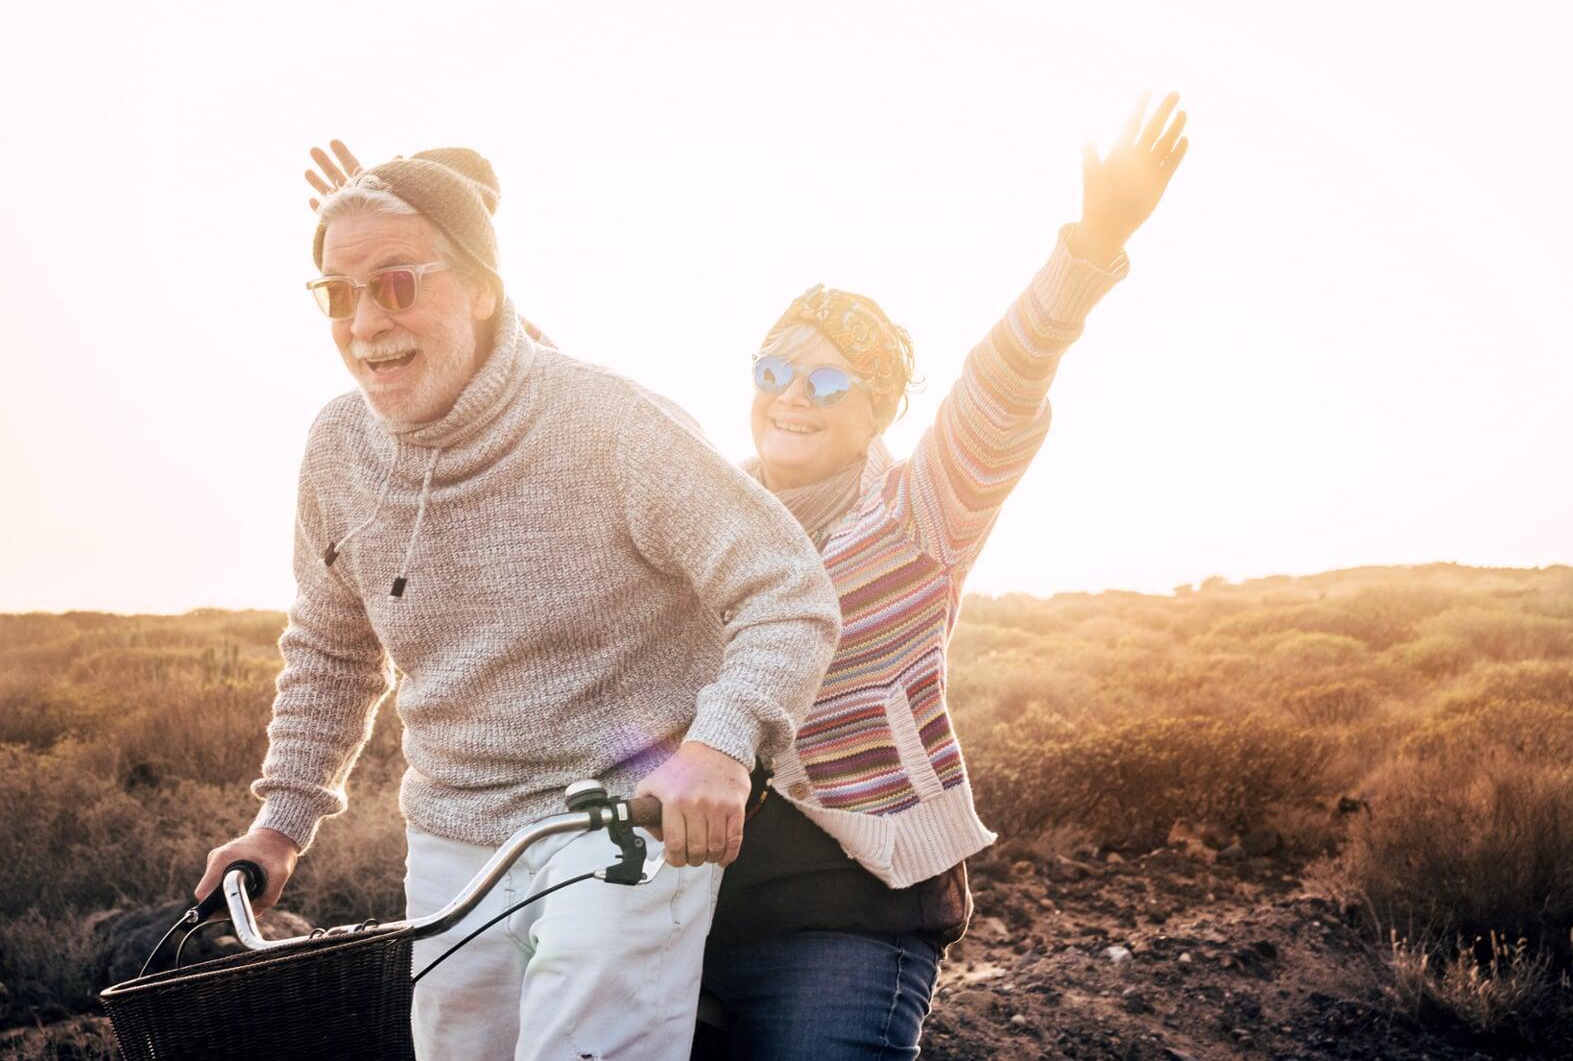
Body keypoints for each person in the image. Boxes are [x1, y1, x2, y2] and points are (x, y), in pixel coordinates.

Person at [306, 90, 1187, 1058]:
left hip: (845, 912)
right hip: (690, 887)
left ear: (878, 405)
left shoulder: (920, 510)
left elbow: (1005, 377)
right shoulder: (708, 496)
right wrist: (425, 222)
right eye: (772, 372)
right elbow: (542, 384)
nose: (788, 399)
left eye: (824, 380)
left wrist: (1089, 248)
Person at [196, 147, 843, 1061]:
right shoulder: (338, 448)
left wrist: (721, 744)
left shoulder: (611, 423)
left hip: (623, 816)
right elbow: (332, 649)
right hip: (454, 831)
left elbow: (787, 588)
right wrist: (280, 821)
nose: (366, 322)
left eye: (398, 283)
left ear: (483, 289)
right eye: (338, 294)